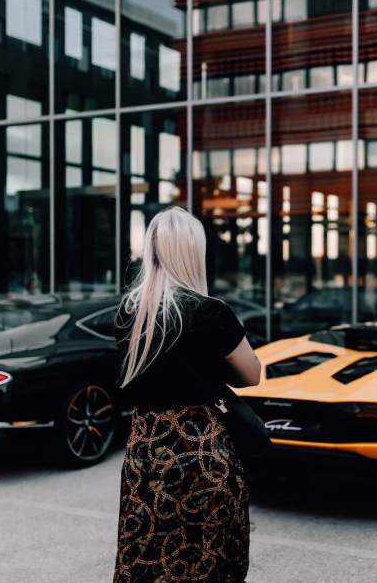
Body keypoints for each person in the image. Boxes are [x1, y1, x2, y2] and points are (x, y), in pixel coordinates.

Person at [113, 207, 261, 582]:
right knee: (206, 562)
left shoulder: (130, 313)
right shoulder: (211, 313)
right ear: (194, 251)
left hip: (145, 454)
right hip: (201, 455)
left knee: (147, 559)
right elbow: (252, 375)